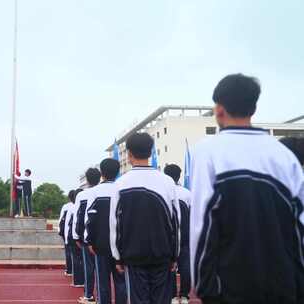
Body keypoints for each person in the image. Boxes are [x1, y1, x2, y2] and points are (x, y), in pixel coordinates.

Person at [190, 74, 304, 304]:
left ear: (219, 110)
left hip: (229, 286)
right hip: (283, 284)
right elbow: (299, 224)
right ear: (253, 108)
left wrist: (202, 286)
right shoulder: (283, 156)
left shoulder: (208, 152)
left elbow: (202, 225)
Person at [111, 133, 179, 304]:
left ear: (129, 153)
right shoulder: (167, 181)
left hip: (133, 254)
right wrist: (175, 255)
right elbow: (176, 222)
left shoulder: (120, 183)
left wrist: (117, 256)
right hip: (162, 253)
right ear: (150, 152)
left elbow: (114, 224)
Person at [85, 158, 126, 304]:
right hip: (121, 245)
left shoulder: (94, 192)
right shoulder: (122, 190)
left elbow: (90, 218)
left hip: (101, 244)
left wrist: (89, 240)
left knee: (103, 283)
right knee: (121, 282)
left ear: (102, 173)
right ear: (118, 171)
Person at [164, 164, 192, 302]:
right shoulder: (187, 193)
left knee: (169, 267)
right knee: (185, 266)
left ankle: (173, 296)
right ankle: (185, 295)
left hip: (169, 237)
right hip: (185, 236)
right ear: (179, 176)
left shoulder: (164, 192)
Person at [73, 168, 101, 304]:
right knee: (104, 269)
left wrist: (76, 236)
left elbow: (78, 217)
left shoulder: (82, 195)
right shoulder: (105, 191)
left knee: (89, 268)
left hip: (86, 237)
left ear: (87, 180)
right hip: (104, 237)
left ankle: (89, 295)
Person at [66, 188, 84, 287]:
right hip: (84, 238)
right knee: (84, 262)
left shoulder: (72, 207)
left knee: (76, 260)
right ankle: (83, 281)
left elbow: (69, 225)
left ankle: (78, 281)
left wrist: (72, 238)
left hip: (74, 237)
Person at [59, 190, 76, 276]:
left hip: (67, 232)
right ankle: (76, 271)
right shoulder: (78, 205)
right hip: (76, 233)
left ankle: (69, 270)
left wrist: (61, 232)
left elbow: (61, 220)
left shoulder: (66, 206)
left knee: (68, 251)